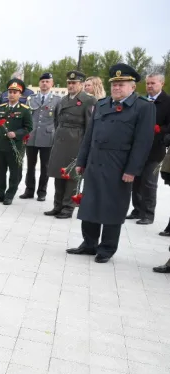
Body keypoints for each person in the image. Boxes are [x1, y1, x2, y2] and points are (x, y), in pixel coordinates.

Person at [66, 63, 155, 263]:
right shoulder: (102, 104)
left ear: (132, 87)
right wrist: (81, 160)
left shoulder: (143, 107)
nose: (116, 88)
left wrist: (132, 169)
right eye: (114, 84)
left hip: (119, 166)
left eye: (121, 84)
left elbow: (143, 142)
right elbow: (89, 136)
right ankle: (89, 244)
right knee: (89, 205)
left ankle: (106, 248)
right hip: (95, 162)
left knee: (112, 208)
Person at [45, 70, 97, 219]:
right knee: (58, 175)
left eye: (74, 83)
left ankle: (68, 208)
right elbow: (57, 120)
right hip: (60, 141)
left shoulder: (89, 100)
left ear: (81, 84)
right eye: (69, 83)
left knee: (71, 177)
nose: (71, 85)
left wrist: (86, 149)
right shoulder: (63, 100)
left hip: (76, 142)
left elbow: (90, 126)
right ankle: (57, 206)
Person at [126, 73, 170, 225]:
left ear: (161, 84)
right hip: (138, 148)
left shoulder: (168, 102)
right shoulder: (141, 101)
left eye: (153, 83)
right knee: (136, 181)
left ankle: (148, 214)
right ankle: (137, 210)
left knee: (149, 182)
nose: (150, 86)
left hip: (155, 149)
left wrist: (160, 129)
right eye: (148, 83)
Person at [0, 78, 33, 205]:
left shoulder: (24, 110)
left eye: (15, 92)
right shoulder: (1, 108)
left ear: (20, 94)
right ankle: (0, 193)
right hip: (1, 144)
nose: (12, 94)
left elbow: (29, 127)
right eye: (10, 92)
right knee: (1, 170)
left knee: (15, 172)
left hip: (16, 146)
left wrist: (16, 134)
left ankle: (10, 194)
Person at [21, 72, 60, 201]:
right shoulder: (31, 98)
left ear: (52, 84)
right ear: (39, 83)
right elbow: (27, 117)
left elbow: (57, 120)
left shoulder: (57, 100)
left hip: (47, 137)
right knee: (30, 165)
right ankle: (29, 190)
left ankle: (42, 192)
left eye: (47, 81)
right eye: (42, 81)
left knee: (45, 166)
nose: (44, 83)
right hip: (32, 136)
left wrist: (55, 134)